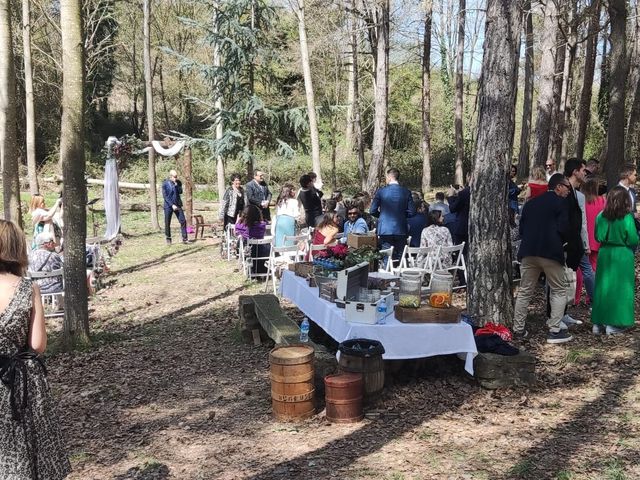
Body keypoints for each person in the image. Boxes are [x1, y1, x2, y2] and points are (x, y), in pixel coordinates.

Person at [0, 220, 71, 479]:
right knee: (24, 453)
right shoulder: (29, 289)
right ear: (18, 248)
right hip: (20, 383)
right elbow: (37, 345)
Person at [512, 173, 573, 344]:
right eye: (567, 187)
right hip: (551, 252)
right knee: (559, 290)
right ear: (559, 187)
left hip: (528, 251)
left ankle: (518, 329)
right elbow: (564, 228)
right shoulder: (561, 203)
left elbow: (521, 229)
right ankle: (554, 330)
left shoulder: (531, 204)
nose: (569, 191)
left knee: (525, 291)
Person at [591, 186, 639, 335]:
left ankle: (598, 324)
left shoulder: (600, 216)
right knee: (621, 290)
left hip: (605, 253)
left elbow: (597, 236)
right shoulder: (626, 217)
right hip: (622, 254)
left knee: (603, 287)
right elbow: (632, 238)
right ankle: (615, 324)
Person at [564, 158, 593, 313]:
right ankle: (560, 313)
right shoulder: (561, 191)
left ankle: (564, 312)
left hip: (576, 242)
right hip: (564, 242)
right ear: (575, 172)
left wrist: (585, 243)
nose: (585, 173)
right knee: (562, 278)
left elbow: (582, 223)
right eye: (583, 170)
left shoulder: (580, 196)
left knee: (581, 272)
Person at [370, 168, 416, 264]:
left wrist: (382, 216)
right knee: (401, 257)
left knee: (387, 256)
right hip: (401, 228)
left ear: (389, 177)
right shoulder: (406, 192)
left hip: (385, 228)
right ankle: (400, 276)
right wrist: (402, 215)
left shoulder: (381, 191)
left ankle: (387, 277)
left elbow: (372, 210)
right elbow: (412, 212)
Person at [578, 177, 606, 303]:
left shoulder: (581, 201)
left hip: (583, 238)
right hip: (598, 239)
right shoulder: (602, 201)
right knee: (594, 268)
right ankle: (592, 296)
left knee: (580, 269)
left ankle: (576, 297)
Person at [235, 205, 269, 274]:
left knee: (240, 241)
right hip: (260, 251)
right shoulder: (262, 225)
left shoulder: (241, 226)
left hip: (248, 252)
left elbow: (235, 232)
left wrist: (238, 220)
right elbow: (264, 222)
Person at [162, 169, 188, 245]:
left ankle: (185, 238)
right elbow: (165, 196)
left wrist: (177, 186)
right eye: (174, 177)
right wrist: (171, 205)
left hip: (178, 204)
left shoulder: (178, 182)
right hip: (168, 205)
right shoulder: (165, 183)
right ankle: (168, 238)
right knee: (167, 222)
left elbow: (180, 192)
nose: (176, 178)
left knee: (183, 221)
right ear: (170, 176)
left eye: (176, 176)